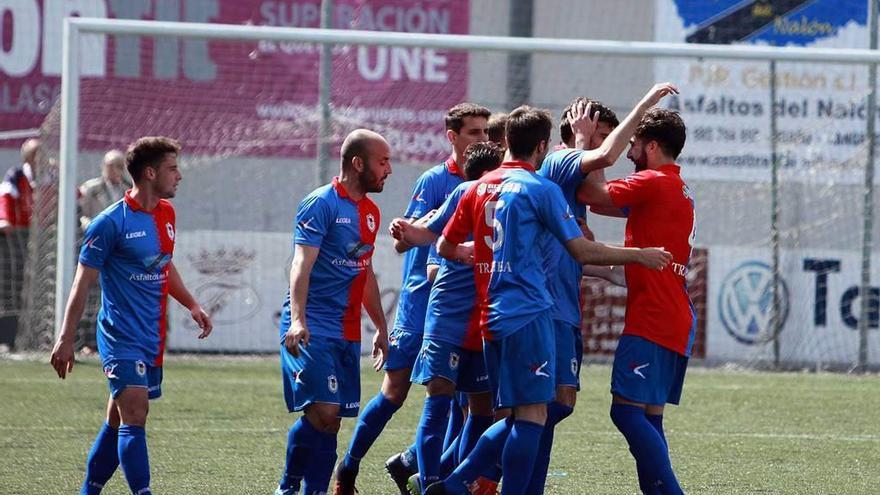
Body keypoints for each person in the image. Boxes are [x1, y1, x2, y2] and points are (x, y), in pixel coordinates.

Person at [425, 106, 672, 495]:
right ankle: (457, 482)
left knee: (519, 413)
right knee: (532, 415)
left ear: (505, 141)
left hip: (491, 315)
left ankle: (456, 480)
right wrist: (638, 255)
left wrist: (486, 258)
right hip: (529, 312)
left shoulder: (476, 188)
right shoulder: (542, 189)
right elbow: (582, 251)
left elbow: (444, 245)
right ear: (542, 146)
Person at [525, 84, 678, 493]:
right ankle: (465, 474)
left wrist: (606, 270)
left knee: (548, 409)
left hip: (572, 308)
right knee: (547, 408)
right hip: (547, 309)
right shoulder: (560, 163)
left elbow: (593, 207)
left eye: (630, 141)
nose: (623, 150)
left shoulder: (576, 186)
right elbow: (599, 181)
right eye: (609, 136)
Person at [334, 103, 490, 495]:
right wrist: (433, 242)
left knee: (466, 400)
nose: (481, 139)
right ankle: (348, 469)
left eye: (485, 132)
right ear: (452, 137)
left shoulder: (485, 180)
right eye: (473, 132)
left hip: (465, 306)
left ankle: (429, 475)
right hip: (424, 305)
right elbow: (404, 242)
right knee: (395, 392)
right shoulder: (435, 181)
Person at [49, 136, 213, 495]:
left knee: (116, 420)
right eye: (172, 169)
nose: (179, 176)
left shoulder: (167, 215)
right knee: (136, 414)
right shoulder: (109, 223)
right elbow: (82, 283)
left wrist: (193, 304)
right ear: (150, 173)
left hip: (151, 335)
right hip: (120, 335)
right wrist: (65, 339)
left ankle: (89, 491)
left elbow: (164, 267)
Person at [576, 108, 694, 494]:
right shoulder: (675, 187)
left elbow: (590, 193)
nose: (627, 152)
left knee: (624, 412)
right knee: (649, 418)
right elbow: (599, 204)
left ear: (654, 146)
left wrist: (588, 145)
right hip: (673, 316)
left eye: (634, 145)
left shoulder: (654, 182)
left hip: (653, 318)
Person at [277, 129, 392, 495]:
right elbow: (300, 264)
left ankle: (310, 490)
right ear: (358, 164)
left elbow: (366, 273)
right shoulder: (321, 203)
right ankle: (289, 485)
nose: (389, 169)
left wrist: (381, 328)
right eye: (383, 161)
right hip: (312, 326)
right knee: (325, 411)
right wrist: (298, 318)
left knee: (332, 422)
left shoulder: (371, 212)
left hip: (346, 330)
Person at [388, 141, 505, 493]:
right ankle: (431, 483)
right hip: (449, 318)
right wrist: (408, 232)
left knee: (480, 409)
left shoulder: (509, 198)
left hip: (481, 320)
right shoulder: (465, 193)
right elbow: (428, 232)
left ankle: (449, 481)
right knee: (441, 399)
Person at [79, 149, 131, 231]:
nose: (114, 170)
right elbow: (82, 215)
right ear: (103, 166)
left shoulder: (128, 191)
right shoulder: (91, 188)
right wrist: (91, 227)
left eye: (119, 166)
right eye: (110, 166)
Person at [0, 138, 39, 234]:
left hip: (42, 232)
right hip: (20, 231)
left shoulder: (51, 175)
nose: (39, 159)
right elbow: (6, 197)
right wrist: (5, 219)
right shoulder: (16, 175)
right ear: (27, 159)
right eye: (35, 154)